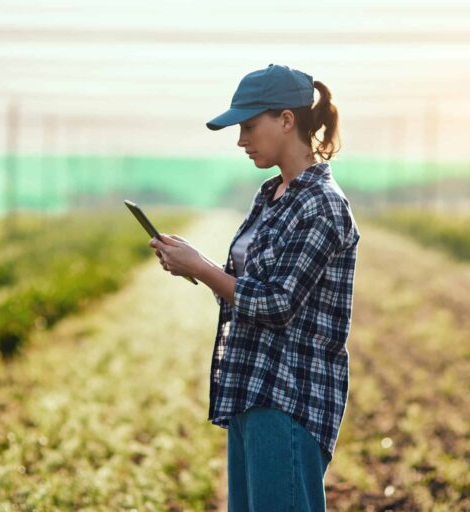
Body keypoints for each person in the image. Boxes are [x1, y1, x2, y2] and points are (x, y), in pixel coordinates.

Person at [149, 63, 360, 511]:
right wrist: (193, 265)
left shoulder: (322, 205)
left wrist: (205, 267)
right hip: (251, 388)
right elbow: (251, 290)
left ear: (286, 120)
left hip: (289, 396)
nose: (241, 140)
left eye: (248, 126)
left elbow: (278, 304)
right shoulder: (272, 195)